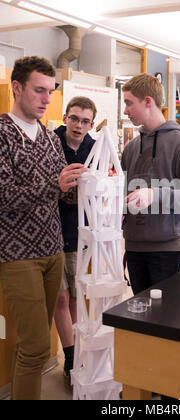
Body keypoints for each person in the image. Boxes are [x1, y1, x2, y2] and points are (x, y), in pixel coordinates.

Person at [0, 56, 86, 400]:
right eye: (39, 90)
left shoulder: (51, 138)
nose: (46, 99)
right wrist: (57, 185)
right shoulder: (3, 133)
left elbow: (60, 196)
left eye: (50, 91)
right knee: (35, 347)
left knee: (33, 344)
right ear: (17, 88)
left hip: (53, 250)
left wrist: (84, 186)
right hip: (17, 255)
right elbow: (4, 195)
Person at [121, 73, 180, 296]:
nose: (125, 110)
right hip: (134, 247)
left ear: (148, 101)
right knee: (140, 317)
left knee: (164, 320)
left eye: (129, 103)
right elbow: (124, 196)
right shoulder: (131, 148)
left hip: (165, 251)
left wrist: (155, 195)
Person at [54, 96, 97, 386]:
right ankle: (70, 358)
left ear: (91, 124)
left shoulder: (94, 148)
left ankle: (76, 355)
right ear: (65, 117)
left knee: (74, 298)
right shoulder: (50, 142)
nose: (79, 125)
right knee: (59, 296)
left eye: (85, 121)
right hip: (50, 232)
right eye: (74, 119)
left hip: (80, 231)